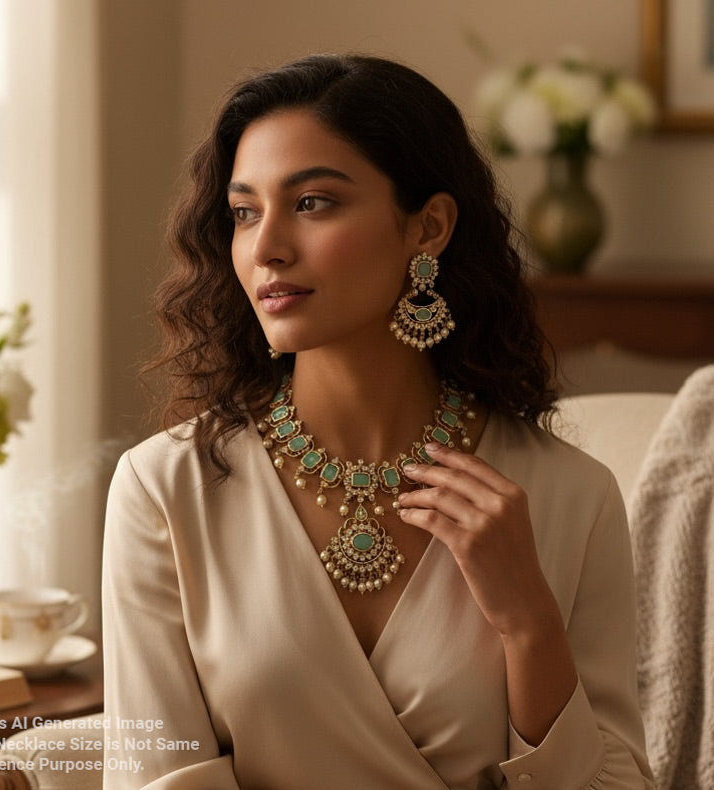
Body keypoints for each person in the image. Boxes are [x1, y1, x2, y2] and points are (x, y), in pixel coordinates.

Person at [102, 53, 654, 789]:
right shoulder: (165, 490)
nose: (265, 247)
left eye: (312, 203)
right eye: (244, 212)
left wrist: (530, 624)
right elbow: (151, 777)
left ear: (428, 227)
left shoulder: (573, 499)